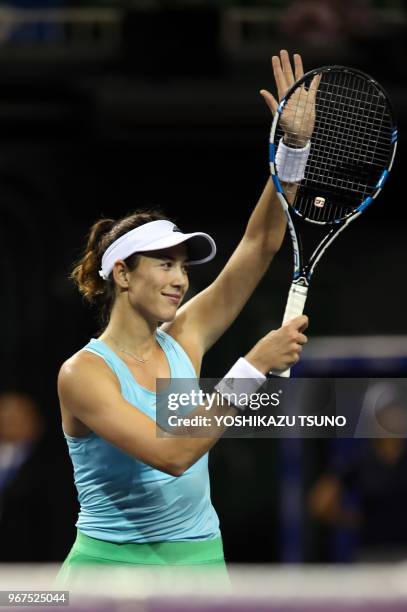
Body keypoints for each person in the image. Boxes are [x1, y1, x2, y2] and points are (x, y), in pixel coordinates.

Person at [57, 50, 314, 582]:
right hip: (108, 573)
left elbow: (262, 241)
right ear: (123, 275)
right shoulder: (84, 374)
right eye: (164, 264)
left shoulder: (185, 337)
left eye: (183, 266)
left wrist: (293, 149)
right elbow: (172, 454)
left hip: (199, 565)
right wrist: (251, 368)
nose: (179, 279)